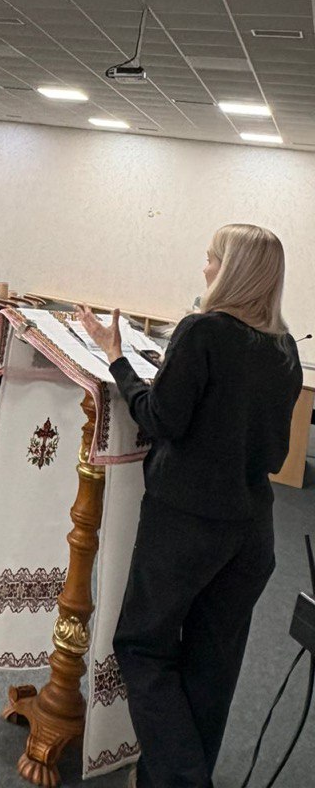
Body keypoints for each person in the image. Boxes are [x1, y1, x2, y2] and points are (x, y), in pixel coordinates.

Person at [76, 224, 302, 788]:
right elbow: (275, 452)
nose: (204, 267)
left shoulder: (202, 331)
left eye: (211, 258)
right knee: (212, 666)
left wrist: (117, 359)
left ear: (233, 270)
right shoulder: (286, 348)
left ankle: (181, 780)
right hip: (253, 531)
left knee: (141, 647)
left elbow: (161, 418)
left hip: (187, 523)